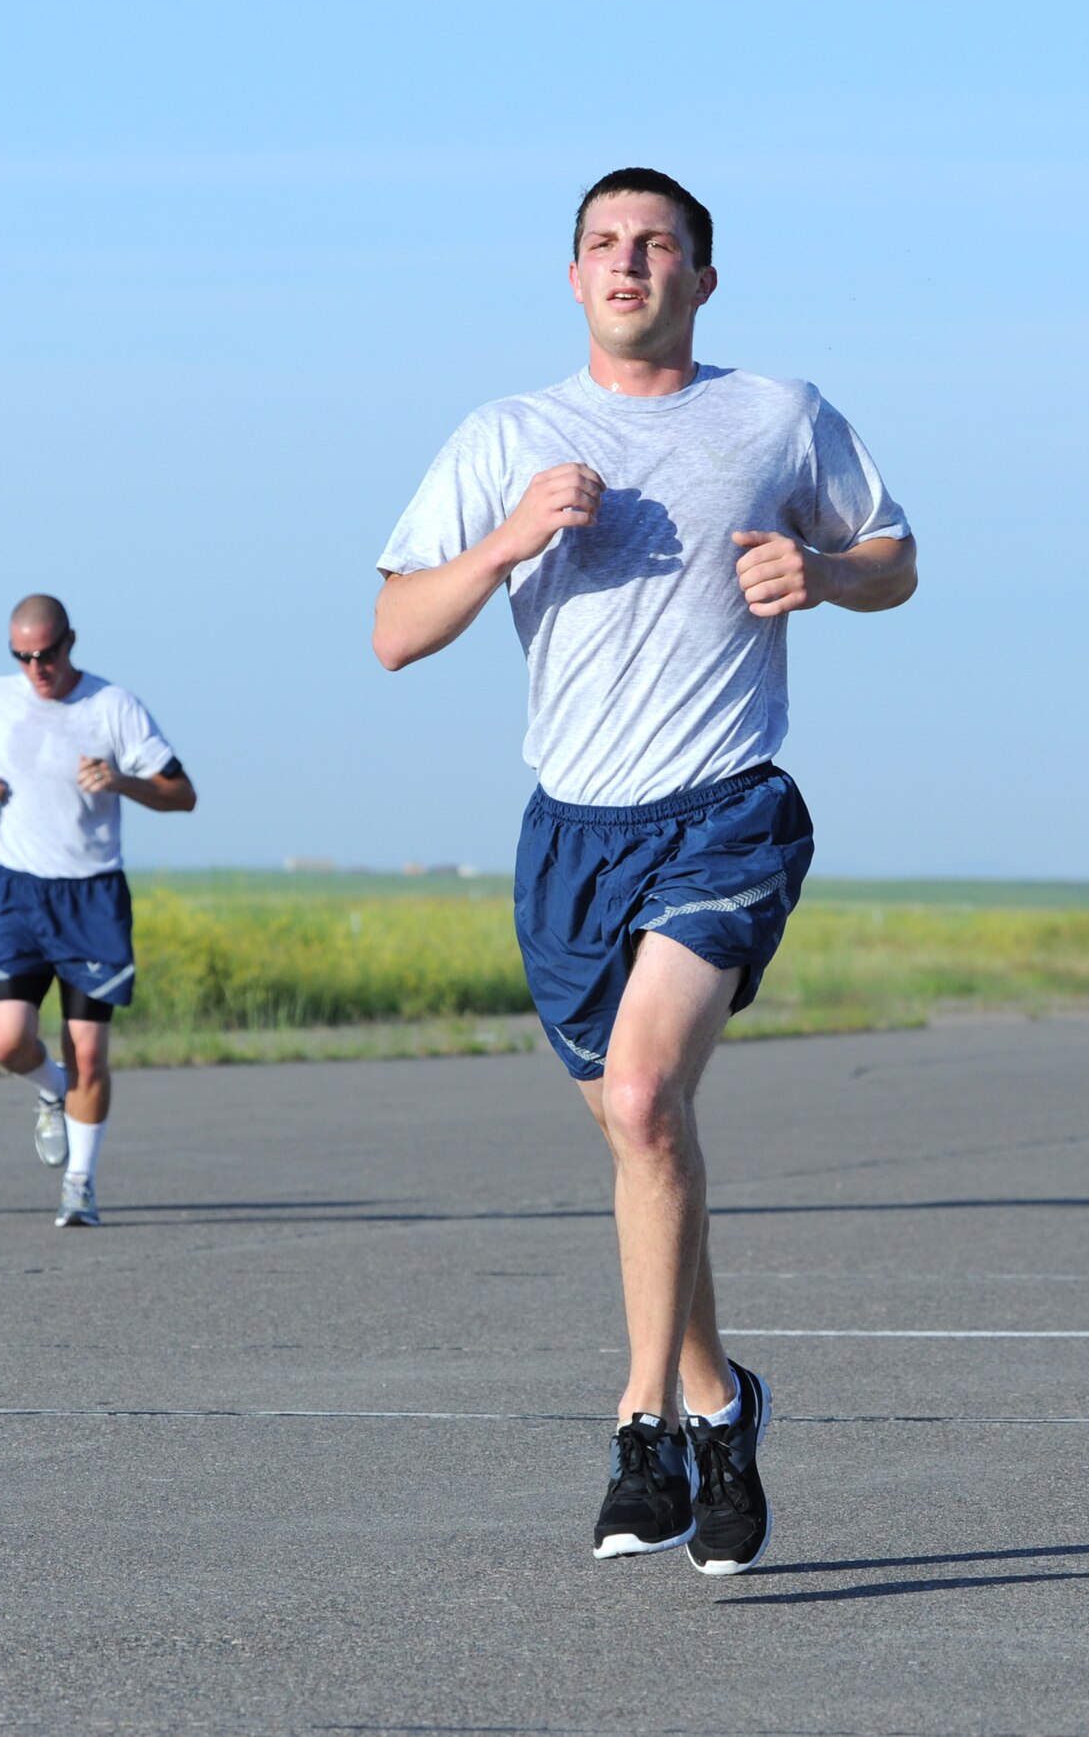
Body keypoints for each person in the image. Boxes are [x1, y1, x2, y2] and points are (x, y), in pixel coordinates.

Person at [372, 168, 916, 1569]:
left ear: (702, 278)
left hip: (724, 812)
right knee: (643, 1134)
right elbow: (391, 630)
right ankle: (721, 1404)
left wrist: (825, 572)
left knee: (639, 1093)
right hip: (569, 840)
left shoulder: (777, 412)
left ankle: (639, 1426)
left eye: (657, 243)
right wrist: (506, 543)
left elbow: (894, 552)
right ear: (573, 279)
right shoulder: (507, 436)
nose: (631, 262)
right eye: (605, 244)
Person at [0, 594, 196, 1226]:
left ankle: (80, 1185)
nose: (35, 668)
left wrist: (122, 781)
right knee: (7, 1040)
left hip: (90, 897)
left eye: (45, 654)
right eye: (22, 656)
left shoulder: (112, 707)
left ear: (71, 643)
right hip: (17, 891)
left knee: (90, 1052)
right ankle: (53, 1092)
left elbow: (183, 794)